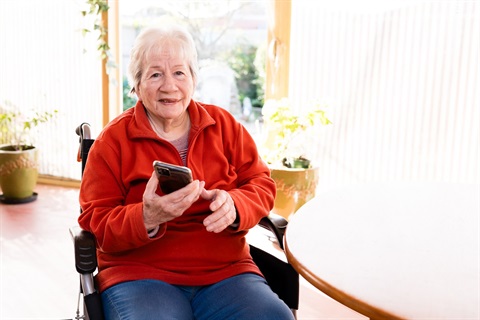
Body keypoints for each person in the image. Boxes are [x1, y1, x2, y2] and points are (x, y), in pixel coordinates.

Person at [78, 25, 294, 320]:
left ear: (193, 78)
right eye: (155, 74)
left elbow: (261, 183)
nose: (170, 86)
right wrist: (146, 217)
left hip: (226, 272)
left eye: (179, 73)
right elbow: (96, 221)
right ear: (137, 84)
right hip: (140, 274)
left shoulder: (225, 127)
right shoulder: (112, 142)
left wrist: (235, 204)